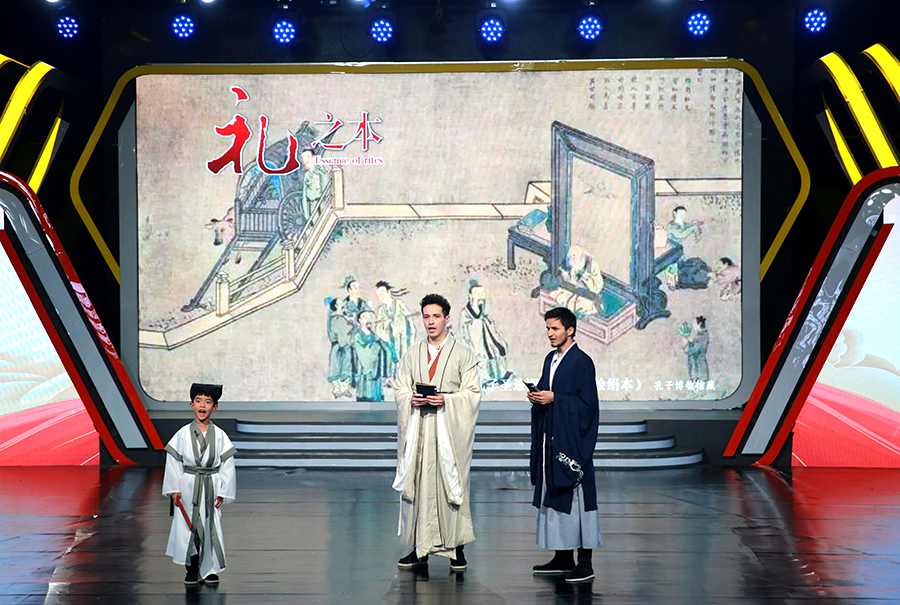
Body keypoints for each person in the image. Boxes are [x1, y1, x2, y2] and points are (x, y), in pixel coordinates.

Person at [392, 293, 481, 572]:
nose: (431, 322)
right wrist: (410, 399)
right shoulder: (412, 353)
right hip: (419, 429)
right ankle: (419, 550)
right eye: (426, 316)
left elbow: (473, 393)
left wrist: (447, 400)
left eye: (436, 316)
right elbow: (401, 388)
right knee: (419, 485)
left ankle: (456, 548)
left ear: (447, 319)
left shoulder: (463, 354)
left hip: (448, 433)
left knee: (450, 486)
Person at [527, 307, 602, 584]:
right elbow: (549, 391)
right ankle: (562, 556)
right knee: (555, 492)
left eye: (555, 328)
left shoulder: (582, 362)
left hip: (572, 443)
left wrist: (555, 399)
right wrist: (538, 396)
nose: (550, 333)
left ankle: (585, 561)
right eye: (548, 328)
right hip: (552, 436)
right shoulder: (551, 359)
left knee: (578, 497)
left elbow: (588, 405)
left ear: (570, 330)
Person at [163, 383, 237, 586]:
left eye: (208, 402)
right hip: (189, 484)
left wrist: (223, 490)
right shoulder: (182, 434)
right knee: (188, 526)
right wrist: (174, 489)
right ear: (191, 405)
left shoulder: (220, 435)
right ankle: (192, 568)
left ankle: (210, 570)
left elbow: (227, 464)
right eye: (198, 401)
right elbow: (174, 461)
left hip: (211, 484)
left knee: (210, 525)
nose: (202, 405)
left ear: (215, 407)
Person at [459, 281, 510, 386]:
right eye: (476, 294)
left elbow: (486, 320)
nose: (480, 297)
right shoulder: (465, 312)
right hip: (474, 340)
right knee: (483, 354)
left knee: (499, 347)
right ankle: (485, 378)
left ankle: (499, 375)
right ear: (470, 295)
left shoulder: (482, 307)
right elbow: (468, 328)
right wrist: (479, 322)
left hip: (486, 335)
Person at [684, 316, 710, 381]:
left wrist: (687, 347)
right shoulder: (703, 335)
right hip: (698, 367)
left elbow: (695, 350)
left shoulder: (701, 336)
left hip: (699, 369)